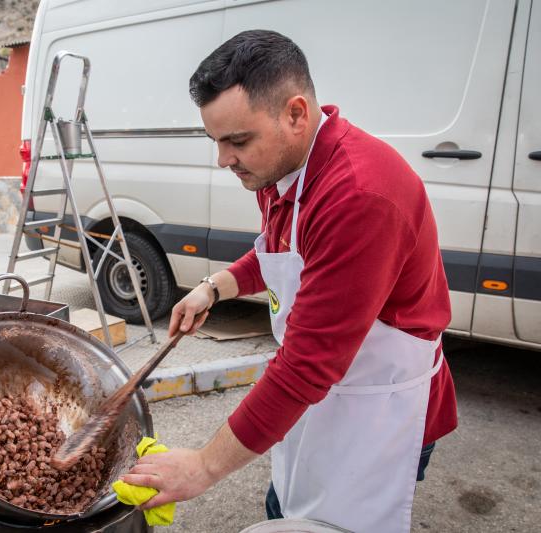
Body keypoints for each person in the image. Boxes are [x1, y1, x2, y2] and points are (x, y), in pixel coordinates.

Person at [120, 30, 457, 532]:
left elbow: (303, 368)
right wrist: (215, 286)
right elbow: (281, 255)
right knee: (287, 508)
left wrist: (204, 466)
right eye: (216, 141)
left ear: (296, 113)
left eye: (237, 140)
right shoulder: (283, 172)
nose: (223, 160)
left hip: (380, 412)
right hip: (321, 403)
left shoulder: (359, 197)